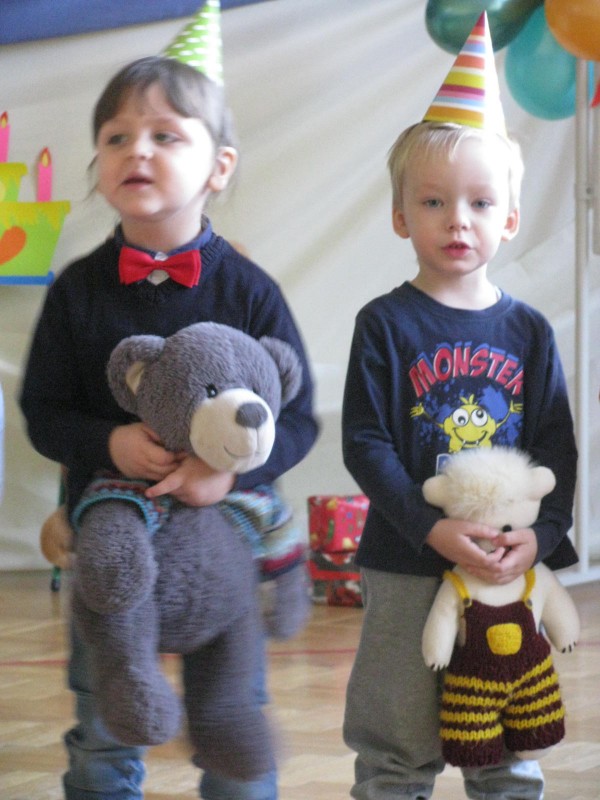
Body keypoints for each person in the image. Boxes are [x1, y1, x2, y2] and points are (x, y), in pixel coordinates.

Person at [19, 48, 317, 800]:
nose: (137, 151)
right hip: (113, 553)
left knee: (233, 720)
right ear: (98, 163)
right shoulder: (76, 290)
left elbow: (299, 419)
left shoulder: (250, 289)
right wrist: (110, 442)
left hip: (224, 550)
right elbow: (42, 414)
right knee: (105, 722)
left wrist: (228, 470)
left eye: (165, 135)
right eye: (116, 137)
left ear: (219, 167)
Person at [341, 15, 578, 800]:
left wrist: (543, 536)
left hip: (507, 566)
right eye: (435, 201)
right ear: (401, 215)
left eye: (480, 202)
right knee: (396, 737)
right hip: (407, 560)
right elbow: (366, 441)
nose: (458, 220)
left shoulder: (528, 331)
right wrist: (429, 525)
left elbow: (555, 448)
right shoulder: (385, 323)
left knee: (506, 734)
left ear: (509, 218)